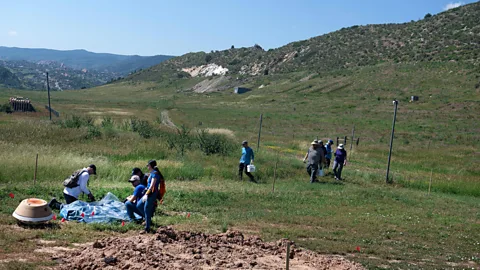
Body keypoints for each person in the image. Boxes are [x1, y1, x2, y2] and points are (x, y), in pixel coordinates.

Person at [137, 160, 164, 233]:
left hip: (151, 194)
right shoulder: (152, 173)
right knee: (139, 205)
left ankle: (147, 228)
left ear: (151, 166)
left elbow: (152, 186)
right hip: (148, 192)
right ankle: (147, 219)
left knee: (146, 209)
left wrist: (146, 194)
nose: (147, 166)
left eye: (148, 165)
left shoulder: (155, 174)